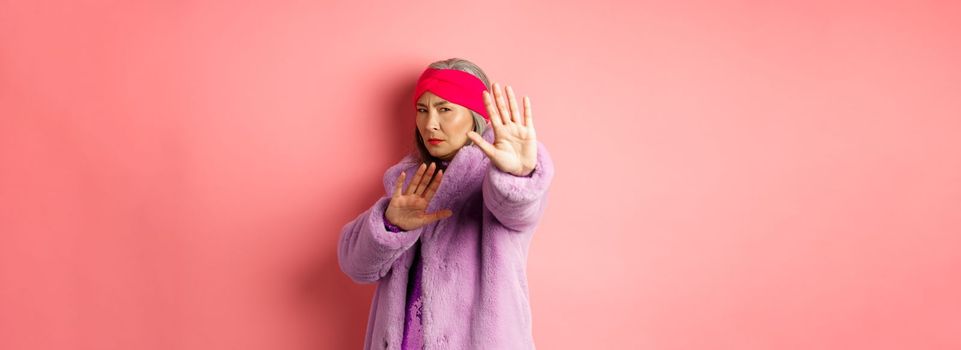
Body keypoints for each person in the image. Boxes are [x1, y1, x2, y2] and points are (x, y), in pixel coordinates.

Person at [338, 57, 555, 350]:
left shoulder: (494, 179)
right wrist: (391, 223)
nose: (430, 124)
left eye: (445, 110)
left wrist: (516, 174)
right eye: (422, 110)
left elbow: (518, 211)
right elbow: (356, 266)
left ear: (475, 115)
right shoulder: (409, 182)